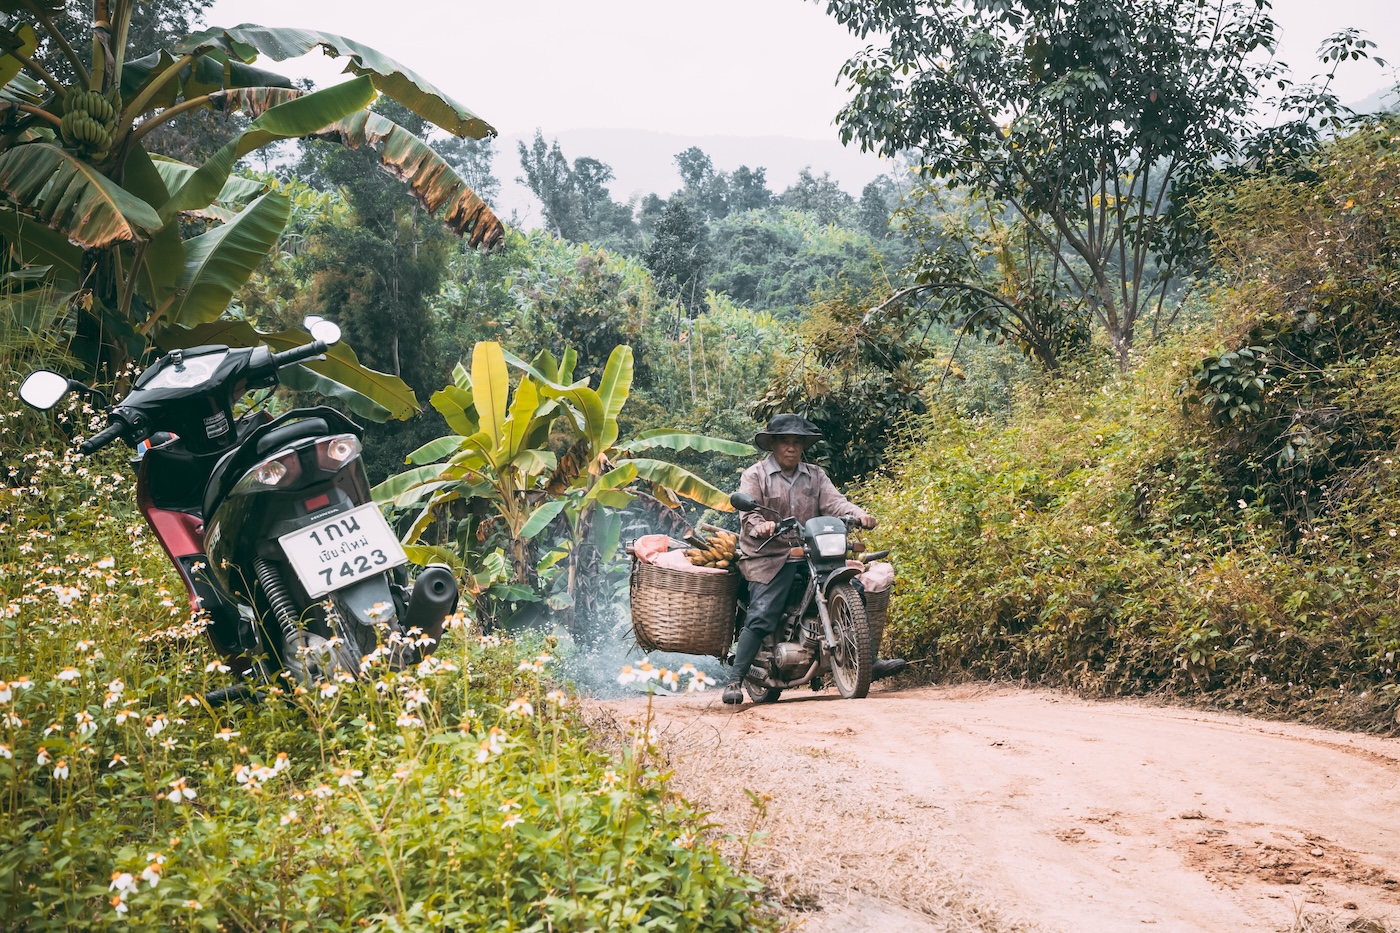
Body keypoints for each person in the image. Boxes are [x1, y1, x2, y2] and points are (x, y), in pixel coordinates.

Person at [723, 414, 908, 705]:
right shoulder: (755, 475)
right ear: (773, 444)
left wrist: (859, 514)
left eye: (797, 442)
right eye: (785, 442)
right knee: (763, 611)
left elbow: (836, 503)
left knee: (855, 589)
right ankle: (735, 680)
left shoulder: (815, 474)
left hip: (811, 551)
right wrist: (761, 525)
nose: (791, 448)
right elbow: (749, 514)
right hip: (768, 555)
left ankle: (867, 661)